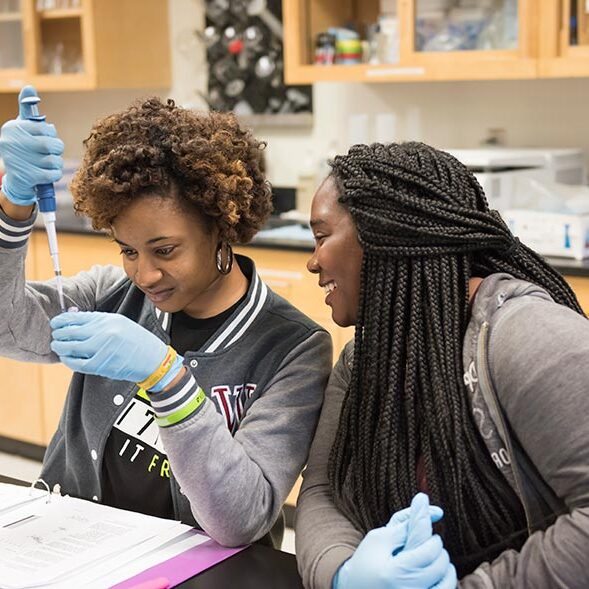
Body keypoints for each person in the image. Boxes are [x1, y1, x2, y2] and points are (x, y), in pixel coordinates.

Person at [0, 86, 332, 548]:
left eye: (166, 250)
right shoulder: (112, 294)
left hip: (201, 572)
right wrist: (12, 208)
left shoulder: (293, 349)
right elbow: (9, 326)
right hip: (77, 553)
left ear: (220, 227)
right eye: (128, 251)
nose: (145, 275)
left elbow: (241, 518)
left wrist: (167, 378)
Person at [296, 141, 589, 588]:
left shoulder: (526, 335)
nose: (313, 262)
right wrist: (342, 572)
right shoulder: (361, 362)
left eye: (321, 237)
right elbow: (322, 491)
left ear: (387, 234)